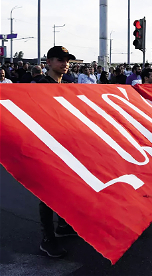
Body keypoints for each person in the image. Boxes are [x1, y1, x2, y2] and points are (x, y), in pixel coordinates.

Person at [38, 46, 77, 257]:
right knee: (47, 193)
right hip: (48, 144)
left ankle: (62, 225)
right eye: (60, 60)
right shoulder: (41, 86)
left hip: (66, 143)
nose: (65, 63)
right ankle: (47, 238)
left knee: (65, 188)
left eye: (67, 60)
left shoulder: (69, 86)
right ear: (49, 62)